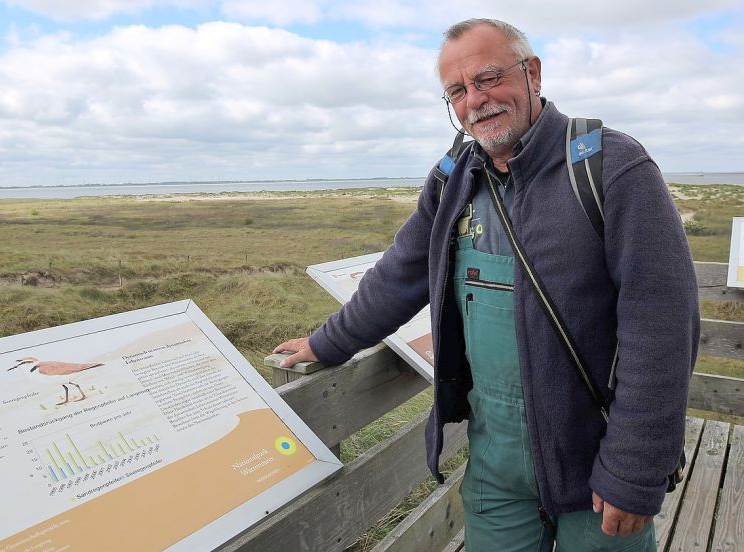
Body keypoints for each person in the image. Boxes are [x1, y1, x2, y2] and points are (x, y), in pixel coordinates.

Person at [274, 18, 698, 552]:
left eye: (490, 78)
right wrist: (325, 343)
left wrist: (635, 470)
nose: (476, 100)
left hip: (598, 463)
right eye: (458, 90)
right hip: (495, 465)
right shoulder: (454, 178)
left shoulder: (613, 167)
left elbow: (661, 328)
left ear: (532, 73)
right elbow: (398, 274)